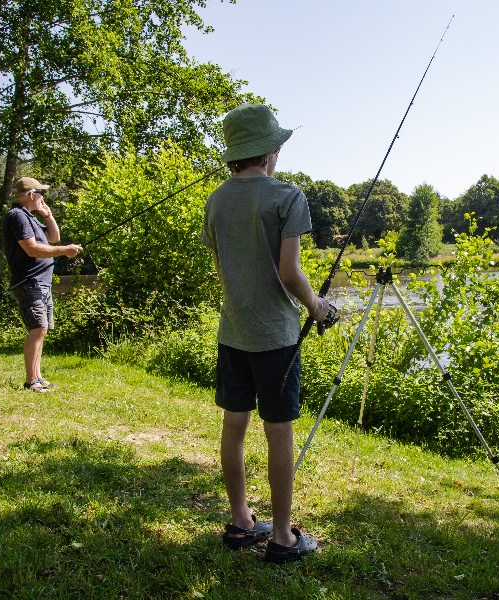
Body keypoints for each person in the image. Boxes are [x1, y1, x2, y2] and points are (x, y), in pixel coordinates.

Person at [200, 104, 330, 563]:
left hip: (232, 330)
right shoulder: (287, 197)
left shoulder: (215, 200)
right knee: (279, 432)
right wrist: (317, 306)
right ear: (271, 151)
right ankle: (281, 537)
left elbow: (222, 268)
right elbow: (290, 272)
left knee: (233, 427)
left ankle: (239, 522)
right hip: (276, 336)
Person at [3, 177, 82, 392]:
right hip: (30, 281)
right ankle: (31, 381)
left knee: (42, 329)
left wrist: (48, 216)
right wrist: (66, 250)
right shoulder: (17, 216)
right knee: (38, 328)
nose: (43, 198)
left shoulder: (29, 217)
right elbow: (31, 249)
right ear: (31, 195)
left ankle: (37, 376)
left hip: (41, 282)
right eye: (41, 193)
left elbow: (53, 237)